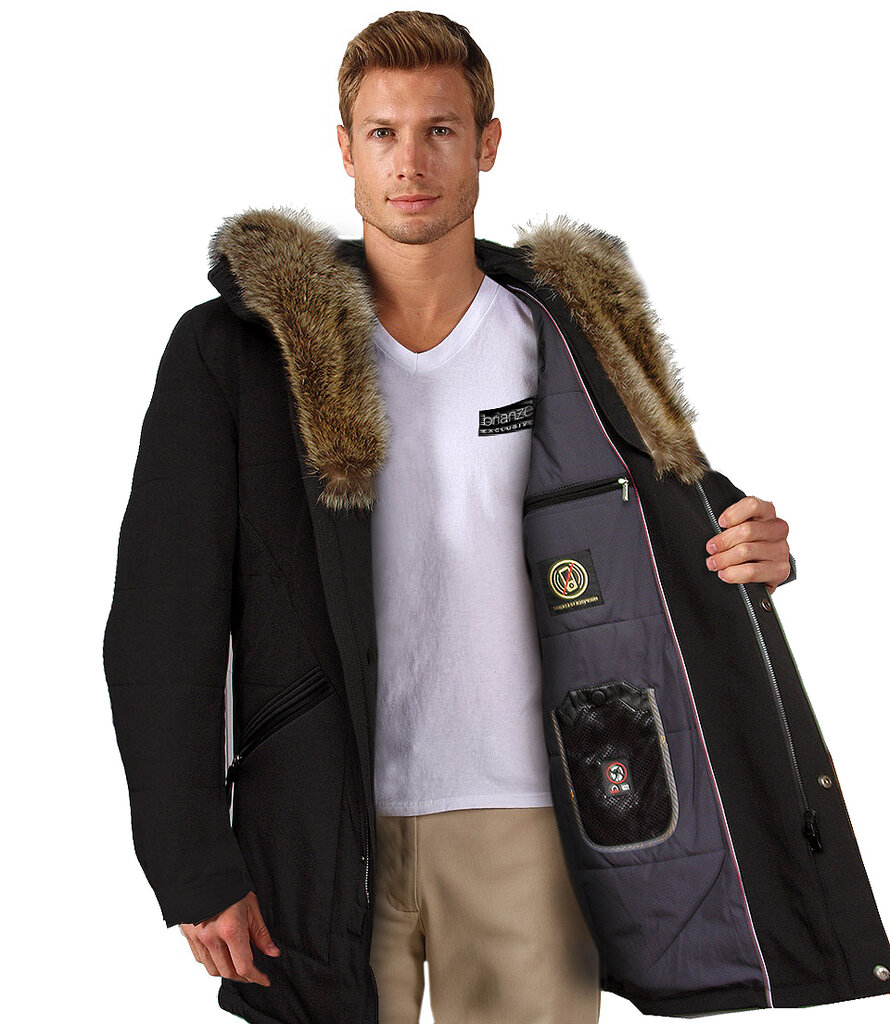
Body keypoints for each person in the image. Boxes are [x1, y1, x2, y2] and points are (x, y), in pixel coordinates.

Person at [103, 10, 890, 1024]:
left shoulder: (571, 336)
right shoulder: (242, 354)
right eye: (382, 133)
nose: (409, 162)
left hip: (530, 819)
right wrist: (188, 858)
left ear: (487, 143)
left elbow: (672, 516)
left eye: (440, 129)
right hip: (317, 820)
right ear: (344, 149)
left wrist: (756, 549)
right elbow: (162, 622)